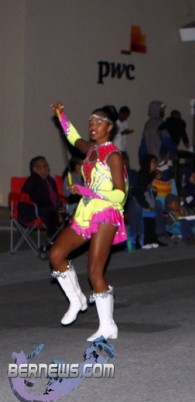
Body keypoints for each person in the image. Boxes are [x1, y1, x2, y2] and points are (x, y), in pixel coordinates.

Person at [49, 102, 127, 341]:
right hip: (86, 210)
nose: (93, 126)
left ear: (110, 127)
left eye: (99, 122)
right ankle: (77, 300)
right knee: (56, 254)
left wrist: (87, 191)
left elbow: (120, 194)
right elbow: (73, 137)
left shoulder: (114, 156)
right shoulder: (90, 149)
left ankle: (108, 326)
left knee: (94, 271)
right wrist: (61, 115)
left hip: (106, 212)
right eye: (91, 122)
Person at [20, 156, 65, 240]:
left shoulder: (50, 180)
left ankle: (66, 240)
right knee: (51, 213)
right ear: (35, 169)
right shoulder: (32, 181)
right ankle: (53, 241)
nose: (47, 168)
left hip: (48, 208)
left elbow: (56, 198)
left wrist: (60, 207)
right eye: (44, 166)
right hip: (32, 210)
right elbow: (40, 200)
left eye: (47, 165)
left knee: (70, 212)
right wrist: (56, 210)